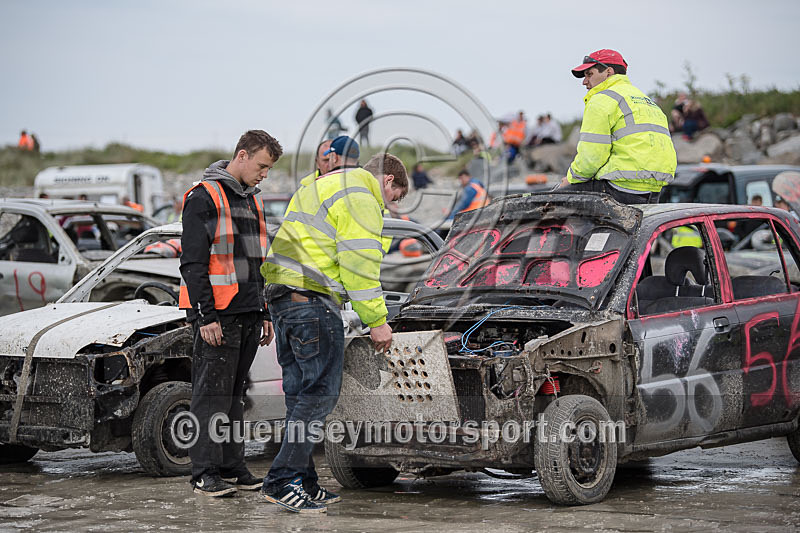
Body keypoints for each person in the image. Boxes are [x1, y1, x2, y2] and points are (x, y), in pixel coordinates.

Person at [260, 139, 408, 513]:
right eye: (393, 197)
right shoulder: (361, 197)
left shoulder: (319, 185)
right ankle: (281, 481)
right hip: (312, 299)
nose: (389, 205)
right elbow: (359, 266)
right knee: (320, 394)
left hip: (282, 297)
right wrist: (377, 321)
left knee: (299, 396)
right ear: (388, 179)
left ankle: (303, 482)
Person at [179, 129, 283, 497]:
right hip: (219, 317)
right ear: (242, 156)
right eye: (261, 166)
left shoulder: (252, 199)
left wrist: (265, 311)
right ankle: (203, 473)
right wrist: (205, 317)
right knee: (211, 397)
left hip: (250, 312)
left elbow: (259, 262)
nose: (264, 175)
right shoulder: (203, 197)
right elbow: (192, 262)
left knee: (235, 396)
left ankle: (232, 466)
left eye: (268, 169)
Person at [559, 49, 677, 204]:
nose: (584, 81)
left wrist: (570, 179)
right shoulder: (646, 100)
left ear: (608, 72)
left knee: (550, 202)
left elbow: (592, 157)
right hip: (652, 190)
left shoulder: (601, 100)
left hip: (619, 188)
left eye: (589, 74)